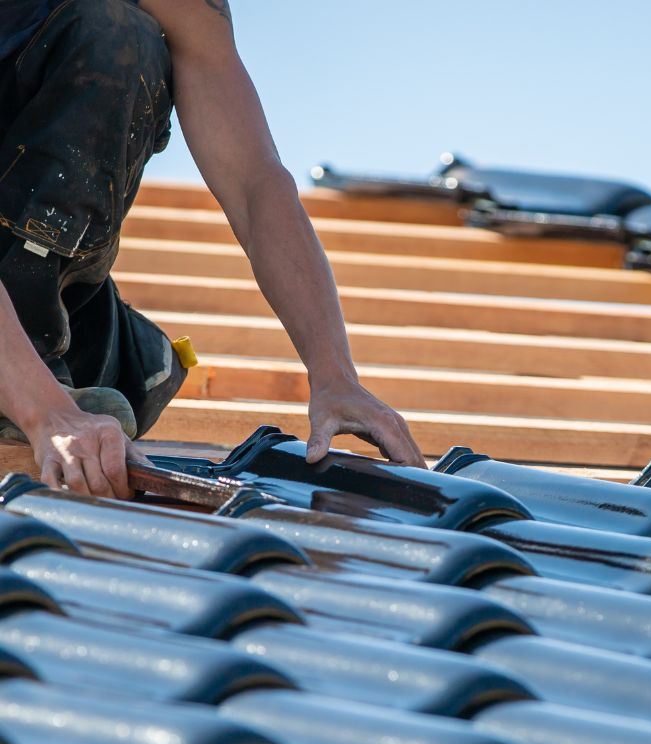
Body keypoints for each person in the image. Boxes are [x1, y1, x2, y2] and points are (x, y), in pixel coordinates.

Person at [0, 0, 426, 500]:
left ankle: (51, 351)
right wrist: (43, 410)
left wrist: (335, 375)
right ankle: (29, 382)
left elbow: (254, 183)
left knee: (116, 35)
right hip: (30, 375)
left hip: (45, 322)